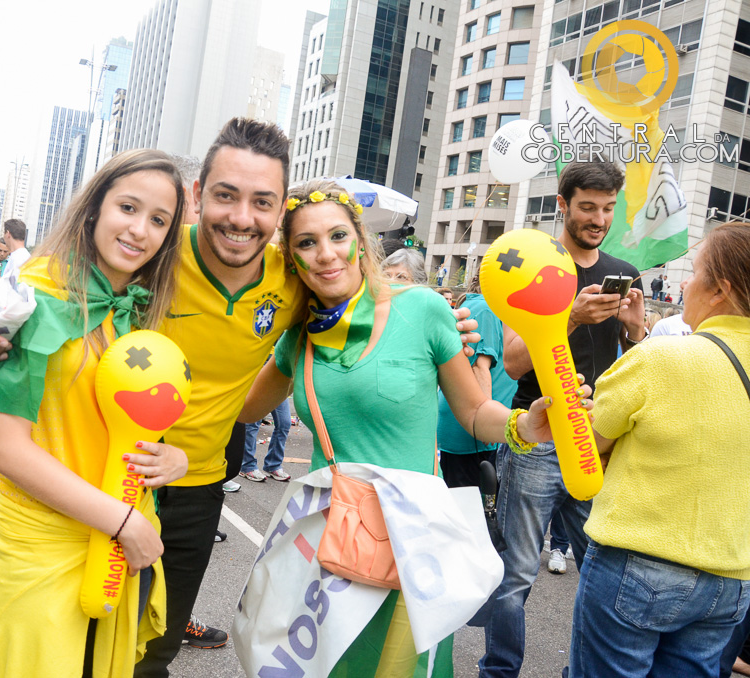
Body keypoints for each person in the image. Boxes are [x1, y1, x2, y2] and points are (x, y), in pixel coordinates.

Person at [0, 119, 481, 674]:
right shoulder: (153, 254)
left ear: (278, 213)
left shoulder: (292, 281)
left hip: (195, 487)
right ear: (198, 197)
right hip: (99, 477)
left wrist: (443, 322)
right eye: (226, 195)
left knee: (146, 654)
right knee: (59, 647)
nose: (242, 217)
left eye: (261, 202)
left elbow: (361, 297)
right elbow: (44, 284)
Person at [238, 179, 586, 673]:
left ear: (361, 241)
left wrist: (524, 425)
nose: (326, 254)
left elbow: (473, 412)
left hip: (414, 544)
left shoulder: (422, 309)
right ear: (291, 259)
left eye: (338, 236)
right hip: (333, 540)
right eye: (307, 243)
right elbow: (243, 408)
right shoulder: (296, 335)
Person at [0, 149, 190, 677]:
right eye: (128, 208)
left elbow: (126, 424)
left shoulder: (141, 309)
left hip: (119, 551)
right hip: (44, 549)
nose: (139, 229)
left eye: (159, 220)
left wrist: (174, 459)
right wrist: (123, 521)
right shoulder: (32, 294)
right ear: (94, 208)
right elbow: (8, 450)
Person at [479, 160, 646, 678]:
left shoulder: (624, 271)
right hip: (537, 438)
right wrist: (569, 315)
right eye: (588, 207)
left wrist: (636, 331)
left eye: (608, 208)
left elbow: (636, 370)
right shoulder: (535, 264)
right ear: (562, 204)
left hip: (597, 439)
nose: (599, 219)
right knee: (516, 575)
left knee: (603, 572)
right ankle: (498, 671)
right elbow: (512, 362)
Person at [569, 222, 750, 677]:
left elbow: (588, 448)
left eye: (695, 273)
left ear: (720, 290)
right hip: (731, 577)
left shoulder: (661, 358)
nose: (683, 284)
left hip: (638, 563)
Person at [437, 272, 517, 488]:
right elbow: (479, 367)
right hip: (475, 434)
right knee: (470, 505)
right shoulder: (486, 308)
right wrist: (486, 421)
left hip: (480, 430)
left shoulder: (486, 307)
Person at [239, 389, 291, 483]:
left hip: (281, 386)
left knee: (284, 424)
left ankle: (273, 465)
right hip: (258, 384)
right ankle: (247, 466)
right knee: (252, 423)